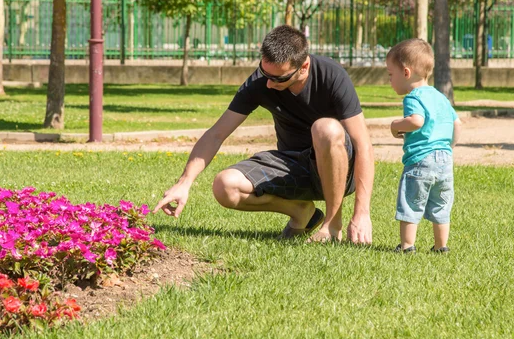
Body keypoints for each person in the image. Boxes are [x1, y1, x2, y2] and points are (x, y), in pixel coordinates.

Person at [153, 25, 374, 244]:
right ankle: (301, 211)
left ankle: (332, 224)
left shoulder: (331, 75)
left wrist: (362, 213)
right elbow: (216, 134)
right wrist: (185, 182)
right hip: (294, 165)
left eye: (278, 78)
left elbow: (363, 144)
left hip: (340, 171)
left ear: (304, 66)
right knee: (225, 186)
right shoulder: (261, 82)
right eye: (264, 72)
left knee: (325, 128)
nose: (269, 83)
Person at [386, 38, 462, 253]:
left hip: (420, 160)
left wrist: (395, 126)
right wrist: (449, 147)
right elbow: (457, 124)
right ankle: (441, 246)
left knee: (411, 202)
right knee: (441, 205)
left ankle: (407, 246)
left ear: (406, 73)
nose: (389, 80)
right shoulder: (440, 97)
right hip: (445, 160)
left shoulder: (414, 96)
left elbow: (416, 121)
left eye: (391, 75)